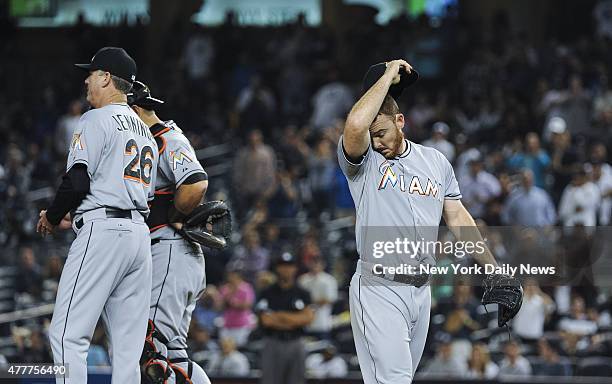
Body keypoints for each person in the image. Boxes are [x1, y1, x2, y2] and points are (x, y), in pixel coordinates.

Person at [339, 60, 506, 384]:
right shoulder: (365, 163)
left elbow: (457, 217)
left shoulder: (435, 161)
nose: (377, 142)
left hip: (421, 291)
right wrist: (387, 75)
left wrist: (493, 268)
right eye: (373, 137)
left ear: (401, 121)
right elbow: (355, 125)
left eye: (383, 133)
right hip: (379, 286)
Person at [37, 47, 158, 383]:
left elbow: (77, 180)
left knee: (65, 336)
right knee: (127, 352)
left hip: (103, 233)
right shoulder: (146, 133)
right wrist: (75, 212)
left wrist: (52, 215)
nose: (86, 80)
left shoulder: (94, 118)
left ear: (106, 77)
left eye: (90, 74)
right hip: (137, 237)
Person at [127, 81, 211, 384]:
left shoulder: (167, 138)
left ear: (134, 109)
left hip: (170, 250)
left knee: (153, 351)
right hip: (171, 254)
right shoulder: (150, 139)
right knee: (172, 352)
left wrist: (175, 214)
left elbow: (195, 183)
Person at [255, 252, 314, 384]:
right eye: (282, 265)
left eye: (289, 265)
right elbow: (266, 320)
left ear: (295, 268)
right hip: (273, 341)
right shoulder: (267, 292)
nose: (286, 269)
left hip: (296, 341)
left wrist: (279, 316)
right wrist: (295, 319)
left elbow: (308, 318)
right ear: (277, 268)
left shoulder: (302, 292)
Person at [298, 257, 338, 339]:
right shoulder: (303, 280)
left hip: (322, 323)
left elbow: (329, 300)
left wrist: (310, 302)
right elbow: (298, 299)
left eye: (317, 264)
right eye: (312, 263)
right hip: (305, 324)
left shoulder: (329, 280)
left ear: (322, 265)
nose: (314, 266)